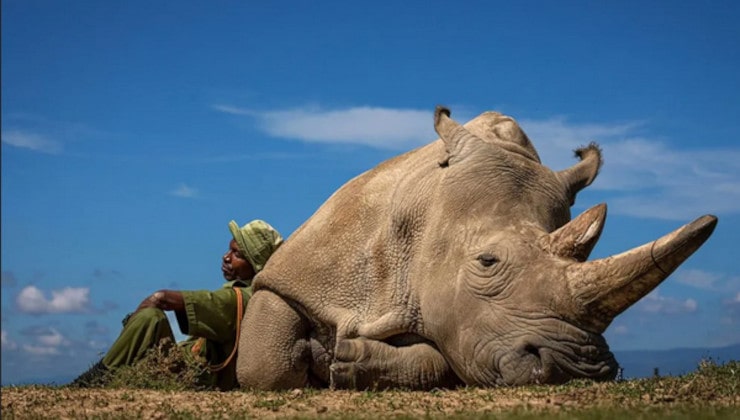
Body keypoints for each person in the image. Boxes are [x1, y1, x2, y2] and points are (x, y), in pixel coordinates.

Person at [71, 219, 283, 390]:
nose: (226, 257)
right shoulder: (249, 294)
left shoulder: (243, 298)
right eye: (229, 250)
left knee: (150, 317)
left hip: (195, 376)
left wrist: (157, 299)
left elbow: (168, 298)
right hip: (185, 365)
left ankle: (92, 381)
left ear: (255, 266)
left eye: (237, 254)